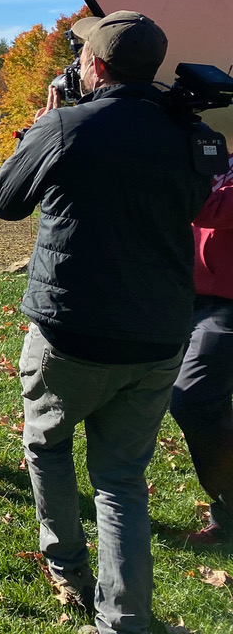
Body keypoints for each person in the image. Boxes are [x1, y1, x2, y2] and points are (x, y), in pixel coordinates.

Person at [0, 11, 215, 634]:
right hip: (161, 334)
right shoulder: (193, 136)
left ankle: (66, 565)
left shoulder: (67, 124)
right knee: (121, 481)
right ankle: (126, 619)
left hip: (72, 330)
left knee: (48, 444)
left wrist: (44, 124)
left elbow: (3, 201)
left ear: (95, 65)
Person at [170, 150, 233, 545]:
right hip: (188, 296)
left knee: (192, 398)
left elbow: (210, 207)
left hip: (227, 303)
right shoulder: (212, 150)